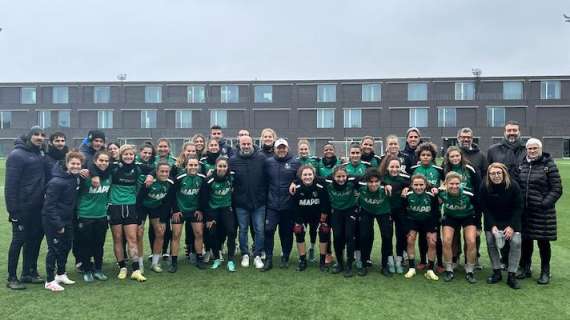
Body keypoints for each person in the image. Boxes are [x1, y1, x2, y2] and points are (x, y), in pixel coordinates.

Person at [94, 144, 152, 282]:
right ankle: (122, 267)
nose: (128, 156)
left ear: (134, 156)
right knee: (118, 239)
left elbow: (154, 168)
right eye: (125, 154)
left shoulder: (138, 167)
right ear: (121, 155)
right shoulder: (113, 167)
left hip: (130, 207)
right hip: (114, 207)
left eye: (131, 154)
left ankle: (136, 270)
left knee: (132, 238)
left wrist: (150, 175)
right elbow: (96, 168)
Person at [5, 126, 48, 290]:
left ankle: (28, 272)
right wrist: (13, 211)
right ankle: (12, 277)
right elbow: (10, 186)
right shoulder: (17, 155)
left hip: (38, 207)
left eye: (42, 135)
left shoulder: (40, 153)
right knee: (18, 241)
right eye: (36, 134)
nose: (39, 137)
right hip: (22, 208)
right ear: (29, 136)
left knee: (35, 240)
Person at [516, 138, 562, 285]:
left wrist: (544, 204)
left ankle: (545, 271)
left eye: (535, 148)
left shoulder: (548, 165)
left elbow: (557, 189)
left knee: (543, 243)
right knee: (526, 241)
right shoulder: (522, 164)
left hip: (543, 212)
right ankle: (525, 267)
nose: (532, 151)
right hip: (525, 211)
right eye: (530, 148)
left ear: (540, 149)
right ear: (526, 150)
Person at [42, 151, 83, 292]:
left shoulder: (75, 178)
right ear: (67, 164)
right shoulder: (56, 181)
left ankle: (60, 273)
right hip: (53, 221)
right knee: (53, 249)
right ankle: (49, 280)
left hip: (67, 220)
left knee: (66, 247)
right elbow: (49, 206)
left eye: (78, 164)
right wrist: (58, 224)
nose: (76, 166)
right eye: (73, 163)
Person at [480, 163, 523, 289]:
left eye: (499, 173)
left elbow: (519, 207)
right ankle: (496, 272)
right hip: (492, 219)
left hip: (511, 220)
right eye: (492, 173)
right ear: (489, 175)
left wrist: (511, 226)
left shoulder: (513, 185)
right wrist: (492, 226)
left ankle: (511, 275)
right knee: (490, 241)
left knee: (515, 242)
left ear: (504, 173)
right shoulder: (484, 186)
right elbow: (484, 208)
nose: (496, 176)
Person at [229, 136, 267, 269]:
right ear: (239, 145)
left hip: (259, 203)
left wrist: (262, 196)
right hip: (241, 203)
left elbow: (267, 178)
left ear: (253, 144)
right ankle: (245, 253)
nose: (246, 146)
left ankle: (257, 254)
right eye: (243, 144)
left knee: (259, 230)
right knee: (243, 230)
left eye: (248, 144)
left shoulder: (261, 158)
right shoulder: (233, 160)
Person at [262, 138, 301, 271]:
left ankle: (285, 256)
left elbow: (303, 177)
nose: (281, 150)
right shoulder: (268, 162)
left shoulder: (295, 162)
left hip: (288, 205)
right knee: (268, 231)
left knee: (286, 233)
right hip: (272, 205)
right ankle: (268, 258)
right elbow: (263, 180)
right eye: (279, 147)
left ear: (287, 148)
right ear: (275, 149)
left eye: (283, 147)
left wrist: (295, 182)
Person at [442, 146, 482, 269]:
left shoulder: (469, 168)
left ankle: (471, 261)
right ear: (448, 158)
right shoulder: (445, 169)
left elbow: (478, 187)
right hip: (452, 210)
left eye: (457, 155)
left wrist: (478, 219)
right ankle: (454, 259)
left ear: (461, 156)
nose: (455, 158)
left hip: (469, 207)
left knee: (472, 237)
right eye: (452, 156)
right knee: (452, 238)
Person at [76, 151, 111, 282]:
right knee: (85, 244)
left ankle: (98, 269)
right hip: (85, 215)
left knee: (99, 244)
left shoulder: (109, 175)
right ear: (95, 161)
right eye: (101, 160)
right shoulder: (86, 175)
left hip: (101, 215)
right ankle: (86, 270)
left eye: (106, 161)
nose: (103, 163)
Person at [439, 172, 479, 284]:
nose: (454, 186)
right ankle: (449, 269)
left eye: (457, 183)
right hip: (450, 217)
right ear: (446, 184)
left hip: (468, 217)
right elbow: (427, 188)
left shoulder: (468, 193)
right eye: (451, 183)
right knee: (447, 241)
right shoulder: (441, 192)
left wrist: (479, 226)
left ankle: (470, 270)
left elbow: (478, 208)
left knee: (471, 241)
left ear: (461, 184)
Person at [199, 157, 237, 271]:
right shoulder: (209, 180)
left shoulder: (232, 177)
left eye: (224, 166)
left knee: (231, 231)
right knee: (212, 233)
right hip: (213, 210)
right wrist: (209, 217)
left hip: (227, 208)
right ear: (216, 167)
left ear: (227, 167)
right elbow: (204, 200)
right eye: (220, 166)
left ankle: (230, 260)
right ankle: (216, 259)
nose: (222, 168)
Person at [137, 162, 176, 273]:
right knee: (139, 233)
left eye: (166, 171)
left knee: (160, 232)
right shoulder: (148, 181)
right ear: (156, 172)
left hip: (156, 207)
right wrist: (139, 219)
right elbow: (139, 199)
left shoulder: (170, 182)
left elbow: (167, 202)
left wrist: (163, 220)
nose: (164, 174)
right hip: (142, 207)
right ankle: (139, 264)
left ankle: (155, 263)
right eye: (161, 171)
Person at [291, 165, 331, 271]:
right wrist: (298, 221)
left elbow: (326, 201)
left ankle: (322, 262)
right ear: (300, 176)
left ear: (314, 175)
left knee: (324, 231)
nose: (307, 177)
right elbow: (294, 206)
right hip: (302, 215)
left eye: (310, 174)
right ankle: (302, 260)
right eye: (305, 175)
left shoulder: (321, 184)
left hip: (318, 215)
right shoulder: (296, 187)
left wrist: (324, 215)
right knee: (298, 231)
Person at [411, 142, 444, 271]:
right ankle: (423, 261)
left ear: (432, 156)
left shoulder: (438, 170)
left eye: (428, 155)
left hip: (434, 208)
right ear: (419, 156)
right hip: (419, 207)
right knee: (422, 236)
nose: (425, 157)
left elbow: (446, 183)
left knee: (436, 237)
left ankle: (440, 263)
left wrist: (440, 193)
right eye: (423, 155)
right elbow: (410, 185)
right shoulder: (414, 169)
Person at [402, 175, 439, 281]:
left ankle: (430, 270)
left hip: (428, 220)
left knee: (432, 242)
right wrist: (406, 226)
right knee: (410, 240)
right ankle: (412, 268)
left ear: (426, 185)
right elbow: (403, 210)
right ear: (412, 185)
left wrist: (433, 227)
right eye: (416, 185)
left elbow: (435, 211)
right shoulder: (407, 195)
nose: (419, 187)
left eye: (421, 185)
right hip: (413, 221)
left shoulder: (431, 195)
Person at [171, 158, 207, 270]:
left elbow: (204, 195)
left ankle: (199, 259)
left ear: (198, 166)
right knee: (176, 235)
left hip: (194, 210)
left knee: (199, 234)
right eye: (190, 165)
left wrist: (200, 209)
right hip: (180, 211)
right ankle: (174, 262)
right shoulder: (179, 178)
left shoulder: (202, 178)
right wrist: (176, 210)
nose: (193, 167)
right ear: (186, 166)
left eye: (195, 165)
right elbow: (172, 195)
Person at [324, 166, 360, 277]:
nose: (341, 179)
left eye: (343, 176)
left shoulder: (352, 181)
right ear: (333, 177)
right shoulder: (327, 182)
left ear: (347, 176)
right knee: (337, 236)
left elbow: (369, 177)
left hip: (350, 211)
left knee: (349, 236)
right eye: (338, 176)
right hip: (336, 212)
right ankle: (339, 263)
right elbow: (314, 178)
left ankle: (349, 264)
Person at [357, 168, 392, 277]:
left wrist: (388, 184)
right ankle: (364, 263)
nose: (373, 184)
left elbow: (403, 183)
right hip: (366, 211)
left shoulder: (385, 189)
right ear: (366, 181)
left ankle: (385, 265)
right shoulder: (360, 187)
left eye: (376, 181)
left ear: (380, 181)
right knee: (364, 236)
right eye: (371, 182)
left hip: (383, 212)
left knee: (387, 236)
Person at [379, 155, 410, 274]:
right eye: (392, 166)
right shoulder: (382, 178)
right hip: (386, 211)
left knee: (401, 235)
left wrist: (408, 188)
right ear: (387, 167)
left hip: (401, 211)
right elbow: (372, 181)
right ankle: (388, 261)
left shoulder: (405, 178)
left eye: (397, 166)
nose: (394, 169)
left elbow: (416, 182)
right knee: (387, 236)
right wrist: (384, 185)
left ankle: (399, 260)